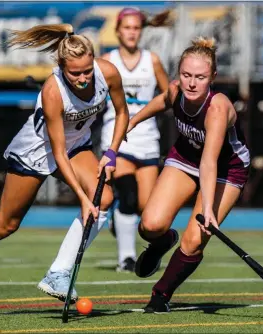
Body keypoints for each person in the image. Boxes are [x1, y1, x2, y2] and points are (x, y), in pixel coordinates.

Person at [0, 23, 129, 316]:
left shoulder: (107, 72)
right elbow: (57, 153)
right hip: (36, 151)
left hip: (76, 146)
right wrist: (83, 200)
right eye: (75, 73)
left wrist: (111, 153)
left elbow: (122, 112)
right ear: (61, 66)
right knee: (5, 224)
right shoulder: (52, 91)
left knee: (105, 199)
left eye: (87, 71)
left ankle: (58, 273)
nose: (84, 79)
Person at [127, 37, 251, 313]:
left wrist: (208, 210)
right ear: (178, 74)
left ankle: (161, 294)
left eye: (200, 77)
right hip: (185, 158)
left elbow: (210, 163)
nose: (192, 83)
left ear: (213, 77)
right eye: (186, 75)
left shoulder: (217, 110)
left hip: (226, 169)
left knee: (194, 240)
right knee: (150, 225)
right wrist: (133, 121)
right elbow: (162, 101)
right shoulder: (176, 91)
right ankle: (162, 242)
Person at [99, 7, 170, 272]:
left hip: (148, 140)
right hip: (118, 138)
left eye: (136, 28)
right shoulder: (107, 60)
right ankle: (126, 258)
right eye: (127, 27)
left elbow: (169, 94)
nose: (131, 32)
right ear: (118, 31)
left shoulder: (152, 61)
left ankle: (119, 223)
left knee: (147, 209)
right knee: (127, 196)